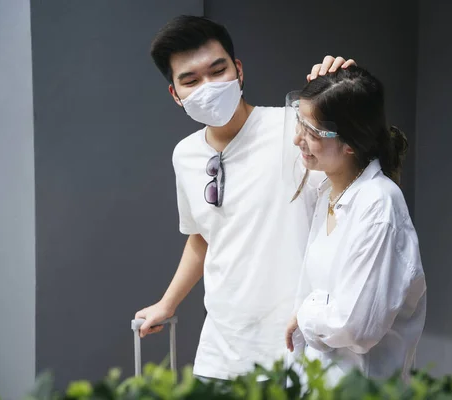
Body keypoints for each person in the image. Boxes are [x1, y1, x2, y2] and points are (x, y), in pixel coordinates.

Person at [133, 14, 354, 381]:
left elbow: (360, 170)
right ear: (175, 94)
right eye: (190, 80)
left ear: (238, 69)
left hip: (297, 348)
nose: (208, 85)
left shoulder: (295, 130)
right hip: (221, 353)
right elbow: (203, 236)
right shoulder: (184, 155)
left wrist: (345, 96)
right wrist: (166, 303)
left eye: (217, 70)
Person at [284, 65, 427, 386]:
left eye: (312, 132)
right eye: (299, 124)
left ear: (351, 144)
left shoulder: (378, 204)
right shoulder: (329, 192)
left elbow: (356, 327)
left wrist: (306, 314)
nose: (297, 140)